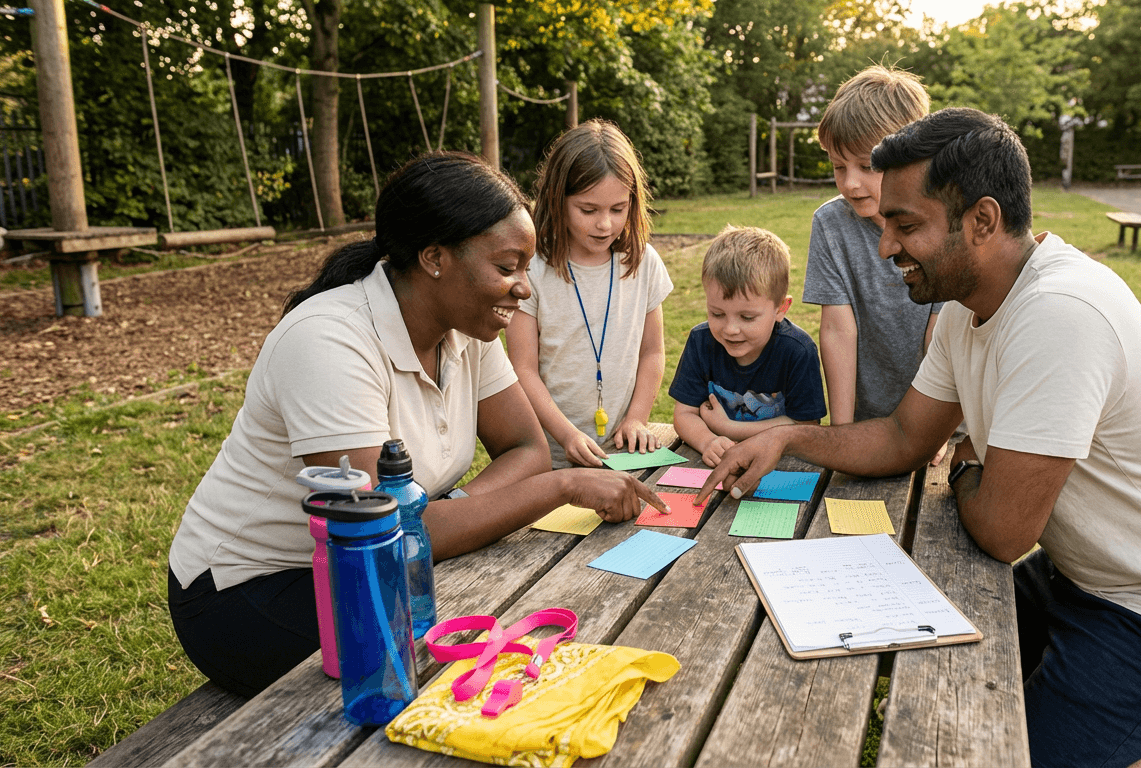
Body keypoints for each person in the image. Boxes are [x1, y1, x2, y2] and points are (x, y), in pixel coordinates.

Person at [699, 109, 1141, 768]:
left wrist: (962, 470)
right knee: (926, 669)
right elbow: (902, 436)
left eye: (906, 225)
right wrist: (789, 439)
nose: (885, 247)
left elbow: (1004, 532)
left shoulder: (1060, 314)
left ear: (982, 221)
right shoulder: (964, 306)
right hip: (1094, 576)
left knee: (1000, 754)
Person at [167, 151, 667, 698]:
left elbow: (524, 447)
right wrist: (563, 484)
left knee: (509, 635)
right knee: (449, 673)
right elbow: (376, 532)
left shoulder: (468, 330)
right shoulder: (328, 340)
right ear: (434, 258)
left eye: (525, 268)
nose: (524, 289)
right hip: (250, 592)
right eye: (507, 267)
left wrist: (445, 512)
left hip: (380, 569)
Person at [507, 120, 673, 469]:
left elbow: (652, 352)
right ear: (558, 198)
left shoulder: (643, 262)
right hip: (549, 457)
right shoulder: (533, 270)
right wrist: (567, 436)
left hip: (622, 452)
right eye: (588, 210)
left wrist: (636, 419)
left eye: (618, 209)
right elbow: (523, 368)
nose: (605, 225)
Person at [805, 65, 942, 426]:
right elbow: (837, 330)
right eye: (838, 166)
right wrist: (843, 432)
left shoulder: (944, 221)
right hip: (867, 423)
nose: (850, 184)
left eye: (867, 166)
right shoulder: (830, 224)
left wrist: (932, 426)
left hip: (946, 420)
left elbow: (941, 332)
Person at [669, 226, 826, 467]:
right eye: (717, 313)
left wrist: (727, 428)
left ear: (781, 308)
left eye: (747, 317)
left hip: (782, 465)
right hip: (717, 465)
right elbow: (684, 414)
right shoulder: (701, 342)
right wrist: (708, 441)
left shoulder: (798, 351)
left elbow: (806, 427)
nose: (730, 329)